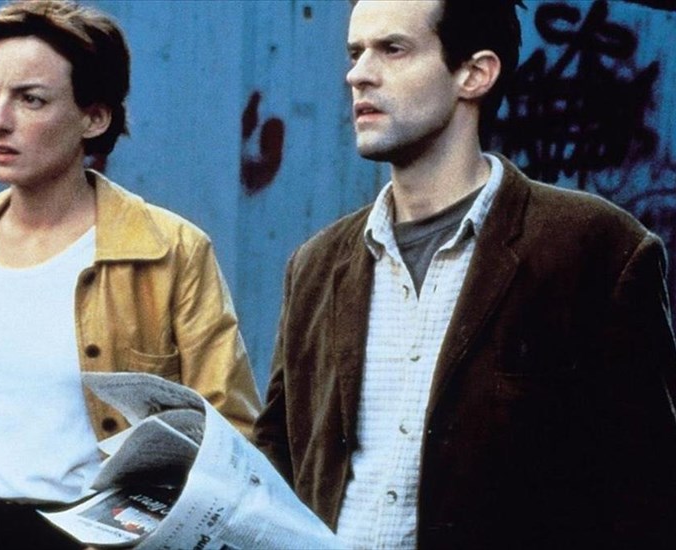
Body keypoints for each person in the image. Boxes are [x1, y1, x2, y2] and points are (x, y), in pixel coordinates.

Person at [253, 1, 676, 548]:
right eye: (355, 53)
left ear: (474, 74)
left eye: (392, 49)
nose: (357, 74)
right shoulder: (314, 266)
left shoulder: (596, 250)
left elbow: (646, 500)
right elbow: (277, 464)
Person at [0, 1, 261, 549]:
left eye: (31, 99)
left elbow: (227, 432)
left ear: (95, 118)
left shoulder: (169, 251)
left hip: (104, 539)